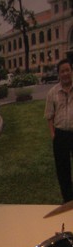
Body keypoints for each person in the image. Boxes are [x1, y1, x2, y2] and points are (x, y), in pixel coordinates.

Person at [45, 58, 73, 202]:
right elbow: (49, 116)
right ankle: (68, 200)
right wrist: (52, 134)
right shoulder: (52, 92)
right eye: (62, 71)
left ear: (72, 71)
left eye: (68, 70)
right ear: (59, 74)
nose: (65, 73)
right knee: (62, 170)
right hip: (60, 135)